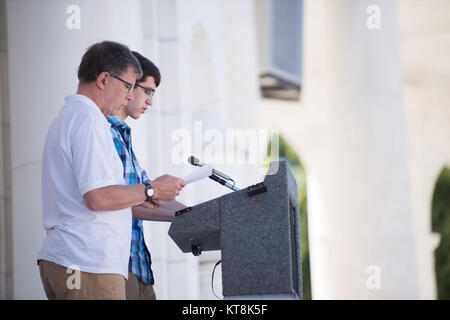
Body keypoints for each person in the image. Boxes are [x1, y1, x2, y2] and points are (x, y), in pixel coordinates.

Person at [37, 41, 185, 300]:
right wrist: (152, 188)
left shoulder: (70, 116)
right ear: (104, 79)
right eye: (129, 86)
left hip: (74, 261)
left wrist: (145, 194)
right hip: (88, 264)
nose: (130, 96)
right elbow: (98, 197)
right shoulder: (88, 120)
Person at [107, 51, 169, 300]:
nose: (151, 102)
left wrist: (203, 215)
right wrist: (155, 191)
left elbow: (150, 198)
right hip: (118, 268)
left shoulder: (124, 137)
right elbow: (113, 201)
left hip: (141, 268)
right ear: (130, 85)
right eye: (149, 91)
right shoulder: (102, 132)